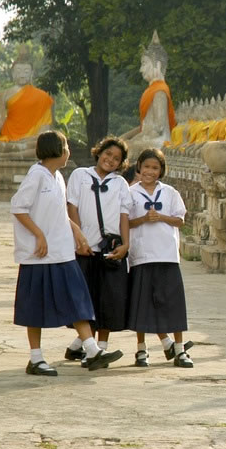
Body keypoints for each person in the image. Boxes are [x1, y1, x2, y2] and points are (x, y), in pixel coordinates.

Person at [10, 130, 124, 375]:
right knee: (35, 305)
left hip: (62, 251)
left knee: (77, 297)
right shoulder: (37, 176)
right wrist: (39, 235)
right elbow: (19, 207)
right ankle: (36, 358)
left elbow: (61, 213)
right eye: (66, 147)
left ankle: (92, 350)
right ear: (58, 151)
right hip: (39, 254)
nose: (69, 151)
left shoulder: (58, 177)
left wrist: (77, 233)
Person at [63, 136, 132, 366]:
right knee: (85, 299)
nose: (110, 160)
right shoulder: (81, 176)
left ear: (121, 163)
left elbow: (124, 215)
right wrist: (78, 237)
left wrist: (126, 244)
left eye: (116, 159)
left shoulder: (120, 184)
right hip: (84, 248)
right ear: (98, 151)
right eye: (108, 154)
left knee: (109, 299)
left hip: (110, 248)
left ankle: (100, 348)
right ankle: (85, 345)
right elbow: (71, 206)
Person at [127, 148, 194, 368]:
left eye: (155, 168)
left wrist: (161, 217)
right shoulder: (131, 192)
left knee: (172, 304)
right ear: (139, 167)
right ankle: (141, 349)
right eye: (146, 166)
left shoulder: (169, 192)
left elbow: (180, 220)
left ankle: (179, 348)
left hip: (167, 254)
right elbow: (125, 222)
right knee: (142, 304)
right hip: (142, 255)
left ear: (161, 170)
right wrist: (144, 219)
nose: (150, 171)